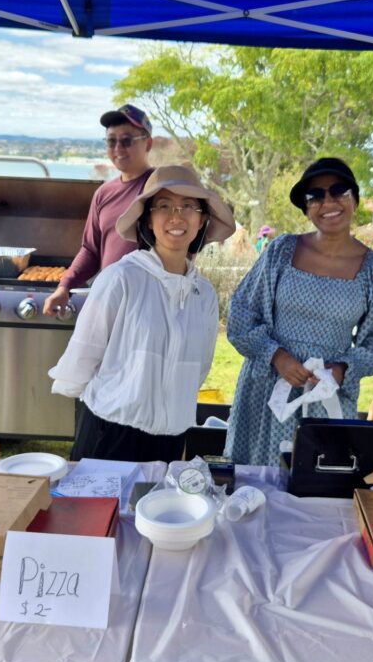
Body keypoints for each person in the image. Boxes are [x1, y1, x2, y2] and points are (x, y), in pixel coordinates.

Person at [48, 165, 234, 462]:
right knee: (100, 509)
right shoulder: (121, 278)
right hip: (111, 431)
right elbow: (84, 353)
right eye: (164, 206)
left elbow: (199, 366)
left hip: (170, 438)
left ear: (202, 220)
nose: (176, 216)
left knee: (155, 508)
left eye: (188, 206)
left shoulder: (204, 294)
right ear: (148, 218)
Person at [225, 157, 373, 466]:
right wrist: (277, 355)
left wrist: (343, 369)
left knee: (315, 487)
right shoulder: (281, 251)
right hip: (265, 387)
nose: (327, 201)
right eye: (315, 195)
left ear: (355, 199)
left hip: (324, 397)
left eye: (338, 191)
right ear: (306, 208)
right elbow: (241, 312)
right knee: (252, 488)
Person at [43, 104, 155, 317]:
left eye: (127, 140)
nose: (118, 149)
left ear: (148, 143)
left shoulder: (160, 188)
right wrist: (65, 286)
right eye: (111, 141)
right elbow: (90, 250)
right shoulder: (103, 193)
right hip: (110, 305)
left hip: (148, 308)